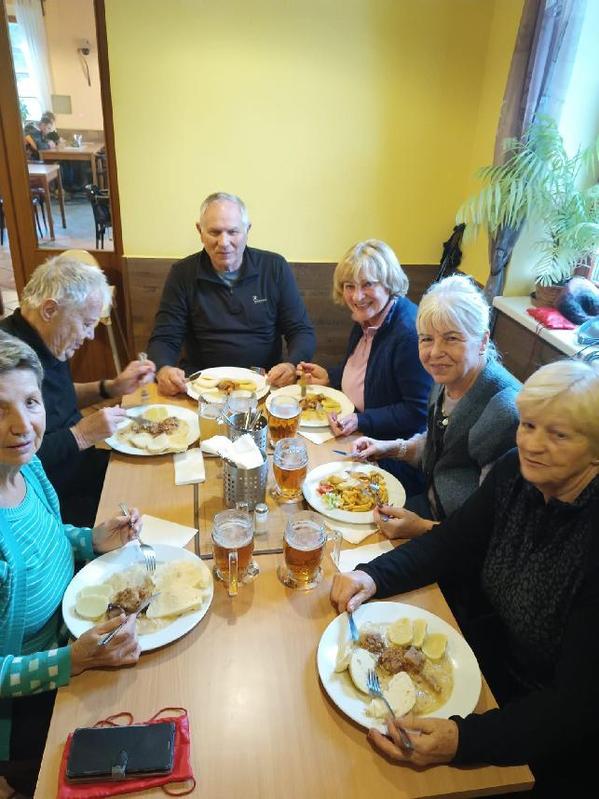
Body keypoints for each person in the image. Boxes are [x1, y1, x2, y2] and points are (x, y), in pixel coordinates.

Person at [330, 359, 599, 798]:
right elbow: (450, 542)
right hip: (489, 668)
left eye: (559, 434)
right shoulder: (515, 472)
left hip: (554, 737)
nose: (533, 444)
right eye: (529, 425)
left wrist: (463, 741)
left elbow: (575, 705)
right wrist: (371, 575)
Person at [0, 332, 142, 798]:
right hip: (30, 705)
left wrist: (92, 539)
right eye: (0, 410)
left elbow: (50, 536)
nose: (23, 426)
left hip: (80, 639)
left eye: (31, 402)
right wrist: (70, 662)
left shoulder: (26, 467)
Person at [352, 274, 520, 537]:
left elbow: (494, 525)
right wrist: (390, 448)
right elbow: (440, 444)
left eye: (451, 338)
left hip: (457, 537)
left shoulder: (504, 411)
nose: (435, 352)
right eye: (426, 339)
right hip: (430, 507)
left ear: (483, 341)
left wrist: (420, 528)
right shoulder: (446, 378)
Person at [0, 255, 155, 527]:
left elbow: (58, 397)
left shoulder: (48, 337)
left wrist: (110, 387)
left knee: (155, 477)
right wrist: (81, 435)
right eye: (85, 324)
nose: (90, 335)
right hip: (52, 497)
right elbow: (16, 463)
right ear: (50, 310)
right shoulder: (9, 357)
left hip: (80, 465)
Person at [147, 192, 316, 395]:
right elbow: (165, 337)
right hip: (202, 386)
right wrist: (163, 368)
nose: (224, 242)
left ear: (247, 230)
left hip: (265, 383)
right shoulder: (182, 273)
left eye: (233, 232)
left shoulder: (274, 267)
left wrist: (291, 365)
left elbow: (301, 330)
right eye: (214, 232)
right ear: (200, 231)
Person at [297, 240, 431, 493]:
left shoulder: (408, 334)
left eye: (368, 284)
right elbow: (366, 370)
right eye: (350, 286)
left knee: (310, 481)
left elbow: (417, 412)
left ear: (389, 283)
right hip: (355, 435)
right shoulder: (367, 318)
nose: (357, 296)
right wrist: (331, 377)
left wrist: (361, 420)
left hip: (389, 456)